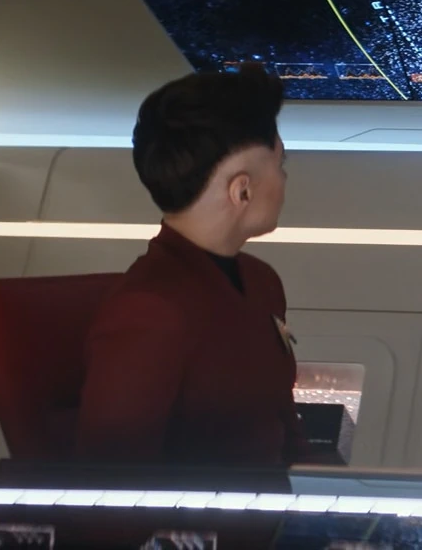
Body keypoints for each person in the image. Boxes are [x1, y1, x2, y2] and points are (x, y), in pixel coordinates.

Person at [76, 64, 311, 464]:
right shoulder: (149, 312)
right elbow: (110, 479)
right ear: (242, 190)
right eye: (280, 165)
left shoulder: (261, 281)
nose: (284, 180)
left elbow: (281, 426)